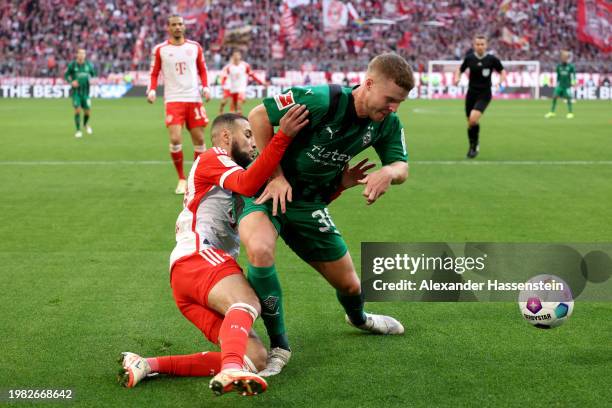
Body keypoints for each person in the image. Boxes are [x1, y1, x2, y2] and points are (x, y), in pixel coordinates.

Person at [237, 52, 414, 376]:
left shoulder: (387, 123)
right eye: (390, 99)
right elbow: (259, 115)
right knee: (260, 250)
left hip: (310, 204)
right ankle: (280, 346)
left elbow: (402, 166)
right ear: (369, 83)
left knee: (349, 285)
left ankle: (359, 319)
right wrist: (276, 176)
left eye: (399, 102)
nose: (393, 108)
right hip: (266, 191)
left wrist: (388, 172)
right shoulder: (322, 99)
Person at [118, 106, 310, 396]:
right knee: (248, 301)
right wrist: (281, 136)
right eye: (247, 135)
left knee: (255, 359)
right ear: (224, 136)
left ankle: (147, 364)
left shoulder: (233, 170)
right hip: (198, 257)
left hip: (192, 279)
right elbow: (248, 182)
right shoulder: (213, 156)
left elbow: (265, 183)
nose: (253, 142)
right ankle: (230, 367)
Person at [147, 15, 211, 195]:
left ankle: (195, 179)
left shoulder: (195, 47)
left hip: (194, 99)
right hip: (173, 99)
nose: (177, 27)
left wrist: (206, 87)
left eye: (180, 24)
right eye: (174, 24)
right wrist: (151, 90)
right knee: (175, 139)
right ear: (168, 28)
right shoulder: (161, 49)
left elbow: (203, 70)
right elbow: (154, 73)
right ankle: (182, 178)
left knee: (199, 141)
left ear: (184, 27)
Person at [454, 35, 506, 158]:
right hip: (471, 93)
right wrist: (457, 78)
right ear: (474, 45)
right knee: (470, 123)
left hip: (485, 94)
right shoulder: (470, 58)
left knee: (473, 119)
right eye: (478, 44)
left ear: (486, 45)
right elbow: (460, 69)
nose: (480, 46)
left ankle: (475, 145)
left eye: (482, 44)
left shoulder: (492, 59)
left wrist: (500, 81)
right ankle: (472, 145)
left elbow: (502, 71)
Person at [219, 51, 265, 115]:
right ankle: (222, 110)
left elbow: (252, 75)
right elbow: (224, 76)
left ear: (240, 56)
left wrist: (261, 82)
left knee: (238, 104)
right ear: (232, 57)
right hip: (231, 88)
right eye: (235, 55)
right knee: (227, 104)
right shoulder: (229, 67)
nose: (236, 57)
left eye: (237, 55)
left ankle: (239, 121)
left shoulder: (245, 66)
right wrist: (223, 84)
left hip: (241, 88)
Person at [64, 49, 96, 138]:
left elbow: (94, 75)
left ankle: (85, 125)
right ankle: (78, 130)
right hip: (76, 93)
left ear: (85, 55)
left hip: (86, 93)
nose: (82, 55)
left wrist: (93, 80)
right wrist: (71, 82)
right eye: (80, 53)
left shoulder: (89, 65)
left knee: (87, 112)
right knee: (77, 109)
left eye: (84, 53)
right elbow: (66, 75)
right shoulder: (72, 65)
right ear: (77, 55)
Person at [545, 50, 576, 119]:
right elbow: (558, 76)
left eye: (565, 57)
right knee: (554, 96)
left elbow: (573, 74)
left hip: (567, 86)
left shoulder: (570, 66)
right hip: (560, 85)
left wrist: (573, 82)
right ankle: (552, 112)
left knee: (568, 98)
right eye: (563, 57)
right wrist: (557, 83)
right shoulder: (559, 67)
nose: (563, 58)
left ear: (567, 58)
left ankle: (570, 113)